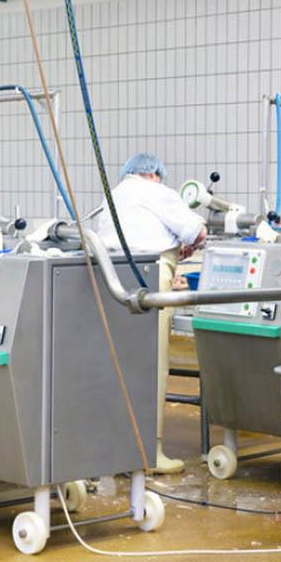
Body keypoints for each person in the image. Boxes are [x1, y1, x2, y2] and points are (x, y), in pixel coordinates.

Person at [95, 153, 206, 474]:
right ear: (155, 173)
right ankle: (149, 453)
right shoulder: (158, 192)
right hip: (150, 280)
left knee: (120, 366)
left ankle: (115, 449)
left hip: (113, 283)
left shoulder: (112, 196)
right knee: (151, 363)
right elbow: (197, 232)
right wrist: (191, 242)